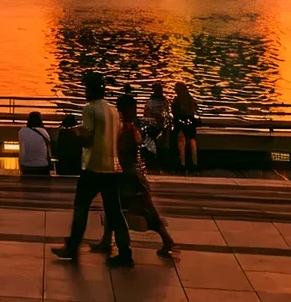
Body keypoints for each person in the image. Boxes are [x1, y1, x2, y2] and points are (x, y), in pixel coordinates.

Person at [52, 70, 132, 267]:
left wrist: (74, 133)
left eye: (86, 88)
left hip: (93, 166)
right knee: (115, 212)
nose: (84, 91)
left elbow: (88, 137)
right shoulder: (113, 111)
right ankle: (126, 253)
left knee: (81, 208)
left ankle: (72, 246)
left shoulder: (89, 110)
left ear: (90, 90)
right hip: (112, 167)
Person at [92, 93, 175, 258]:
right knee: (114, 207)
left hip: (130, 179)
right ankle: (106, 239)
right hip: (130, 176)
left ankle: (166, 240)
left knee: (144, 210)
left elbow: (124, 155)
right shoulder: (130, 128)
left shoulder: (128, 130)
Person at [171, 83, 199, 171]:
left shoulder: (177, 100)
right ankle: (195, 163)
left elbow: (174, 113)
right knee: (192, 140)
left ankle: (182, 163)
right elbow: (195, 110)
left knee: (181, 141)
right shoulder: (191, 99)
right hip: (191, 124)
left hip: (181, 124)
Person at [18, 111, 52, 176]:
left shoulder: (22, 131)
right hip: (42, 165)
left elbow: (22, 150)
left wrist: (21, 164)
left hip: (26, 165)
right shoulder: (44, 132)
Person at [143, 83, 168, 160]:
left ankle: (151, 154)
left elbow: (146, 112)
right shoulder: (165, 101)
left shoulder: (151, 101)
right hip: (161, 125)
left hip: (154, 124)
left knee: (148, 134)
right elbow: (166, 113)